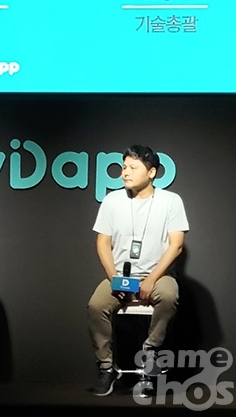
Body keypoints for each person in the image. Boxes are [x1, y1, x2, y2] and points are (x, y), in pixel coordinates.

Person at [87, 144, 189, 396]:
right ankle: (107, 367)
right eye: (124, 167)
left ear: (151, 172)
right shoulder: (112, 200)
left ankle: (151, 353)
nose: (125, 172)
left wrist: (152, 279)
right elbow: (102, 243)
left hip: (158, 275)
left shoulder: (171, 201)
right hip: (121, 275)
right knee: (96, 306)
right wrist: (114, 279)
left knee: (168, 296)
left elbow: (176, 245)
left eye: (133, 167)